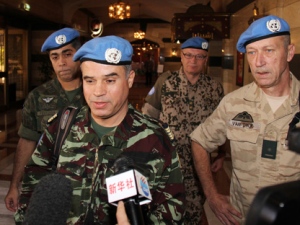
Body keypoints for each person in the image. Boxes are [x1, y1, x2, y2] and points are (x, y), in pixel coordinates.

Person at [15, 35, 185, 224]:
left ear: (130, 79)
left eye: (110, 81)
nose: (98, 92)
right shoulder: (61, 127)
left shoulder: (155, 139)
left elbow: (172, 210)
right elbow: (32, 189)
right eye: (89, 81)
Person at [190, 15, 300, 225]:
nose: (258, 62)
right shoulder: (234, 103)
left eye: (269, 50)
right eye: (252, 52)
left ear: (289, 52)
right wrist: (212, 196)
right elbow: (199, 141)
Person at [142, 36, 225, 224]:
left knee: (195, 208)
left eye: (199, 56)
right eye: (188, 55)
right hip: (168, 160)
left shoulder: (214, 88)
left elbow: (222, 125)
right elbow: (148, 116)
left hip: (200, 163)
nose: (193, 61)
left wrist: (221, 154)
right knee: (165, 207)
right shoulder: (165, 82)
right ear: (181, 56)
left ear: (205, 60)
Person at [4, 27, 86, 212]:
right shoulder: (38, 96)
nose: (62, 62)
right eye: (55, 57)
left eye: (67, 54)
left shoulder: (95, 93)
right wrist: (14, 185)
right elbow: (26, 141)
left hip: (87, 186)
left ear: (79, 55)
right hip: (47, 184)